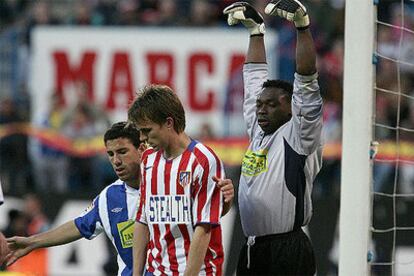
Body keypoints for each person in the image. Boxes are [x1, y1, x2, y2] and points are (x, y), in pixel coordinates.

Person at [5, 121, 235, 275]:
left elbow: (203, 223)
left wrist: (223, 204)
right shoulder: (109, 197)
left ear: (143, 148)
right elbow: (78, 226)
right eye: (111, 154)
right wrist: (33, 242)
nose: (116, 161)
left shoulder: (174, 181)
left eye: (123, 152)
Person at [223, 1, 323, 275]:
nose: (261, 110)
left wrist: (302, 26)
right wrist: (256, 31)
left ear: (290, 106)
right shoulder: (258, 129)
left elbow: (306, 80)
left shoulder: (299, 134)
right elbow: (254, 78)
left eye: (271, 105)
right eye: (259, 105)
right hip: (253, 247)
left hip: (287, 248)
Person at [128, 85, 230, 276]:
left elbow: (204, 228)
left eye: (147, 130)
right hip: (156, 270)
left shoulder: (203, 161)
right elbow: (143, 220)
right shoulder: (148, 159)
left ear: (168, 122)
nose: (142, 138)